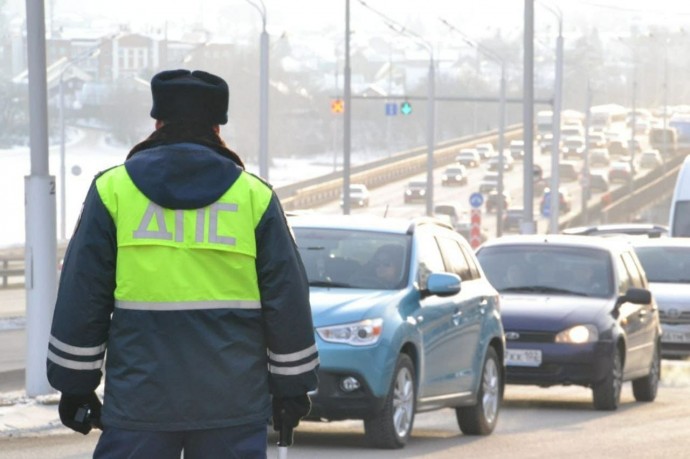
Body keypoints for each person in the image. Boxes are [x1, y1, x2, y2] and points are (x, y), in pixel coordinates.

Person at [46, 69, 319, 459]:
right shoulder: (254, 198)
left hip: (140, 404)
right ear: (217, 127)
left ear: (157, 122)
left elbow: (82, 294)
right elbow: (287, 300)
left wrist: (74, 384)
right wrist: (291, 389)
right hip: (233, 408)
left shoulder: (113, 192)